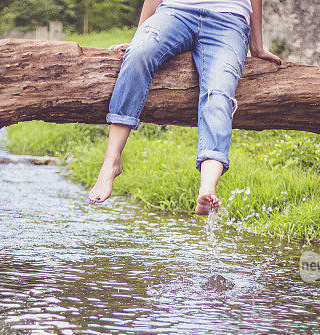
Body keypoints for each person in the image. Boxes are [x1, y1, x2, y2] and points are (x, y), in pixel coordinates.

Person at [88, 0, 281, 215]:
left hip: (229, 19)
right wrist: (139, 38)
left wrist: (256, 46)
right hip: (175, 12)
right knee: (138, 55)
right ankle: (111, 161)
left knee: (218, 94)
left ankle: (207, 189)